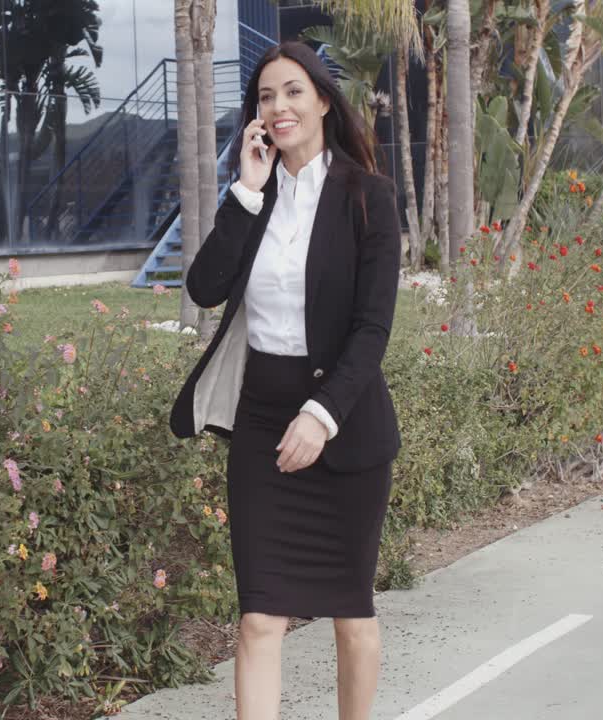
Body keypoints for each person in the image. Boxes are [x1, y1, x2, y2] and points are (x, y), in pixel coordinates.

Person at [169, 40, 402, 720]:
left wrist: (321, 415)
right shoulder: (255, 197)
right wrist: (244, 191)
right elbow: (205, 288)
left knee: (351, 617)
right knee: (259, 619)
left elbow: (372, 330)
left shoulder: (369, 198)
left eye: (293, 91)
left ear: (323, 101)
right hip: (263, 427)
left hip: (345, 426)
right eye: (266, 96)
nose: (279, 106)